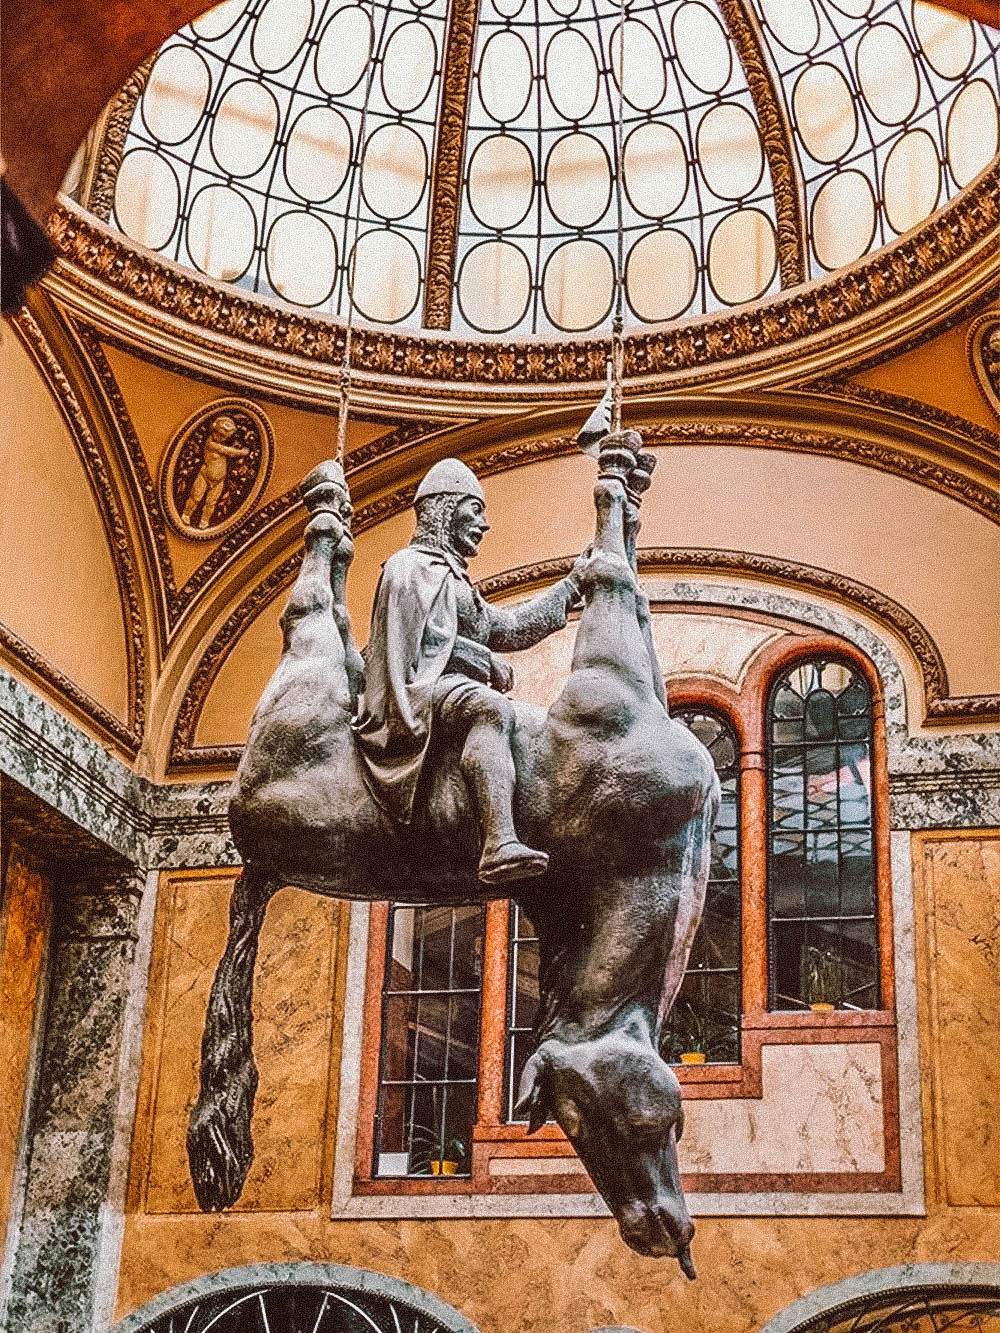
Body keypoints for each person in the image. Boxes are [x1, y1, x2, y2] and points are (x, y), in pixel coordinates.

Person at [353, 458, 585, 884]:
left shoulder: (455, 582)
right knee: (490, 710)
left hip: (443, 686)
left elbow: (509, 628)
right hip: (414, 693)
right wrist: (479, 660)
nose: (484, 523)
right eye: (474, 509)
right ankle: (499, 841)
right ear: (445, 509)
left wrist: (569, 587)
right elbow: (403, 647)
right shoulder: (409, 569)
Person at [181, 414, 251, 530]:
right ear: (214, 431)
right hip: (205, 475)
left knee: (211, 502)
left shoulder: (222, 443)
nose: (222, 439)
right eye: (220, 435)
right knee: (195, 497)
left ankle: (204, 520)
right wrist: (242, 452)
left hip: (219, 480)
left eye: (225, 437)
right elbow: (228, 451)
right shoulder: (211, 444)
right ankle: (186, 514)